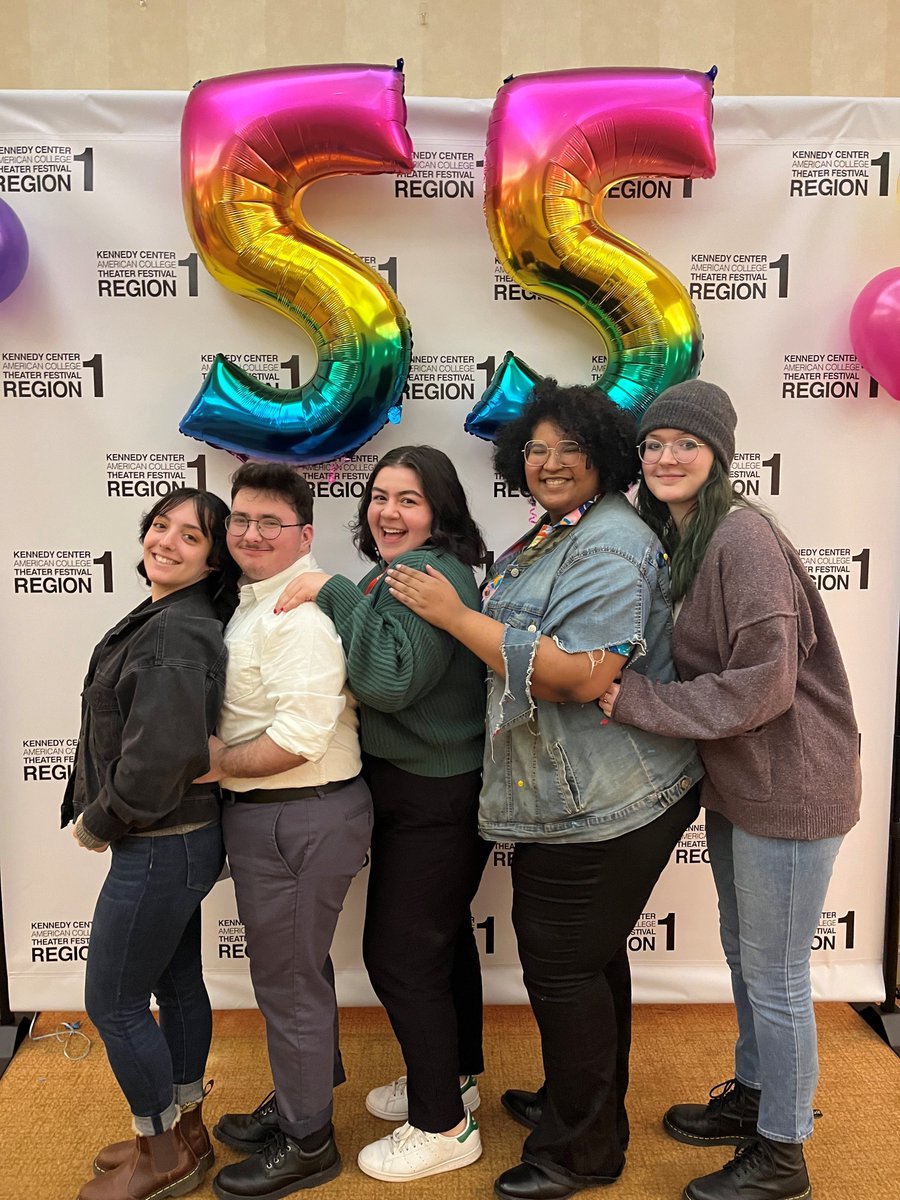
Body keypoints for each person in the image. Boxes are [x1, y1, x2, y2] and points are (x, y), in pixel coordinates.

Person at [386, 382, 704, 1200]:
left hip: (607, 800)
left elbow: (573, 675)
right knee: (587, 965)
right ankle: (583, 1104)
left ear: (604, 456)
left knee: (563, 970)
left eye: (570, 448)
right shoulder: (556, 530)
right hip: (576, 792)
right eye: (536, 449)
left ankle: (581, 1151)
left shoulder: (610, 542)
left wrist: (455, 617)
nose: (551, 462)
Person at [598, 379, 861, 1200]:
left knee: (778, 975)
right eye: (655, 444)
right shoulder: (684, 537)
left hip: (792, 782)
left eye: (687, 443)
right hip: (740, 781)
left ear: (718, 457)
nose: (667, 456)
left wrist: (632, 699)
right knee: (750, 959)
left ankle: (784, 1155)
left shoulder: (741, 538)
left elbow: (762, 688)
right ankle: (755, 1097)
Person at [273, 444, 491, 1182]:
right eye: (379, 497)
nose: (388, 512)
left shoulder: (432, 573)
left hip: (437, 795)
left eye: (408, 500)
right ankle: (452, 1081)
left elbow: (391, 681)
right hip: (411, 788)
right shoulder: (394, 571)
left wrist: (332, 591)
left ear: (440, 511)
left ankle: (443, 1127)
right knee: (439, 945)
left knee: (399, 958)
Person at [197, 463, 373, 1200]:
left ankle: (308, 1143)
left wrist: (211, 767)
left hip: (296, 810)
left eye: (271, 522)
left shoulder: (295, 617)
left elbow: (299, 739)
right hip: (279, 815)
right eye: (241, 519)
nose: (251, 533)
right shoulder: (252, 600)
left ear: (304, 533)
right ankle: (303, 1100)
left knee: (290, 984)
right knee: (300, 976)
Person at [61, 487, 240, 1200]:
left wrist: (100, 820)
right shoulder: (171, 614)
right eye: (160, 525)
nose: (166, 541)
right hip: (181, 840)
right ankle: (187, 1128)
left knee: (113, 1004)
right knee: (175, 984)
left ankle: (161, 1150)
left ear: (212, 559)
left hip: (161, 841)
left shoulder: (175, 631)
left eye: (190, 537)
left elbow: (160, 756)